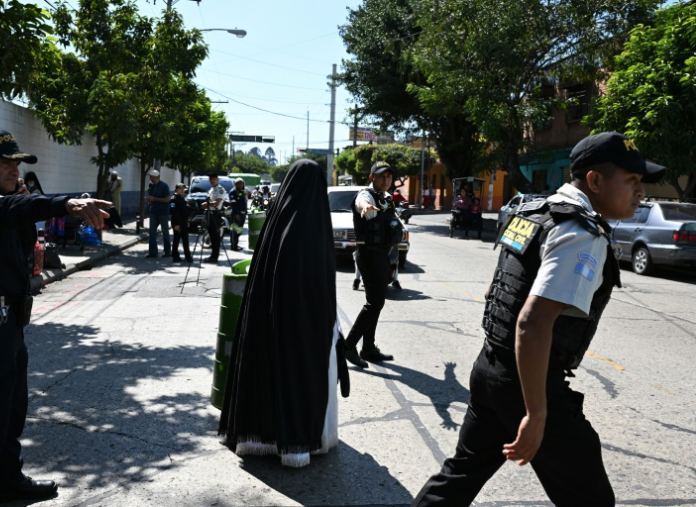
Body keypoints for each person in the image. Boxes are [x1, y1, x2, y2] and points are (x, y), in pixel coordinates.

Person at [412, 131, 666, 507]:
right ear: (595, 181)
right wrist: (536, 412)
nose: (640, 192)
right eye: (631, 181)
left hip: (490, 366)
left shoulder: (533, 211)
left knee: (459, 476)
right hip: (527, 380)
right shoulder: (581, 233)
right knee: (590, 499)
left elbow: (497, 289)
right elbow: (532, 322)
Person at [0, 128, 110, 507]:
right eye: (6, 163)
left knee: (11, 410)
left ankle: (7, 479)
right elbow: (9, 209)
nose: (14, 170)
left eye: (17, 163)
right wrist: (63, 204)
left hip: (8, 323)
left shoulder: (3, 200)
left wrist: (24, 205)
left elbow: (19, 235)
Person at [219, 159, 349, 468]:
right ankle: (297, 443)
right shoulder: (313, 225)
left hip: (267, 317)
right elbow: (318, 284)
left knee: (267, 369)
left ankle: (259, 438)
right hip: (303, 323)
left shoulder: (276, 221)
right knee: (299, 376)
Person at [344, 161, 404, 369]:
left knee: (375, 301)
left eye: (389, 176)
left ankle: (368, 348)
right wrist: (365, 207)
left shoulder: (386, 199)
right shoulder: (367, 195)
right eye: (381, 176)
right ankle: (349, 346)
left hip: (381, 255)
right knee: (375, 303)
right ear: (372, 177)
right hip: (369, 254)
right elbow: (362, 201)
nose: (386, 180)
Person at [146, 168, 171, 258]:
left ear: (155, 177)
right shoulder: (152, 186)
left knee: (165, 232)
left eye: (151, 177)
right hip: (153, 212)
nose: (150, 178)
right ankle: (152, 252)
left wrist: (155, 199)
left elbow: (167, 199)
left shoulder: (164, 186)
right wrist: (149, 199)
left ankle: (167, 251)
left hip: (163, 212)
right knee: (152, 232)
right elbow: (151, 197)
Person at [201, 172, 225, 262]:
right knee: (211, 235)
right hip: (209, 213)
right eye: (211, 179)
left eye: (214, 179)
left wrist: (206, 204)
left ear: (217, 179)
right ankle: (212, 255)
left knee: (215, 236)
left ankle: (215, 256)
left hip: (215, 214)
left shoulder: (220, 189)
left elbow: (217, 203)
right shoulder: (211, 189)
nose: (212, 181)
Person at [169, 183, 192, 263]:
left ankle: (188, 256)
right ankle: (175, 256)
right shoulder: (173, 199)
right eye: (181, 189)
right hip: (178, 222)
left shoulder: (182, 198)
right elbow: (173, 212)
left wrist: (187, 220)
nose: (182, 190)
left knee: (185, 240)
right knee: (176, 239)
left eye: (183, 189)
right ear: (176, 189)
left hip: (183, 222)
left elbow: (184, 211)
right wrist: (176, 224)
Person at [228, 178, 247, 251]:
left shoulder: (241, 191)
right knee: (234, 231)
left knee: (239, 230)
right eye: (238, 183)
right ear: (235, 184)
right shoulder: (233, 192)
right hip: (236, 215)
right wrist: (236, 214)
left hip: (242, 214)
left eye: (241, 183)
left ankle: (236, 244)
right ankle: (234, 246)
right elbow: (234, 204)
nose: (240, 185)